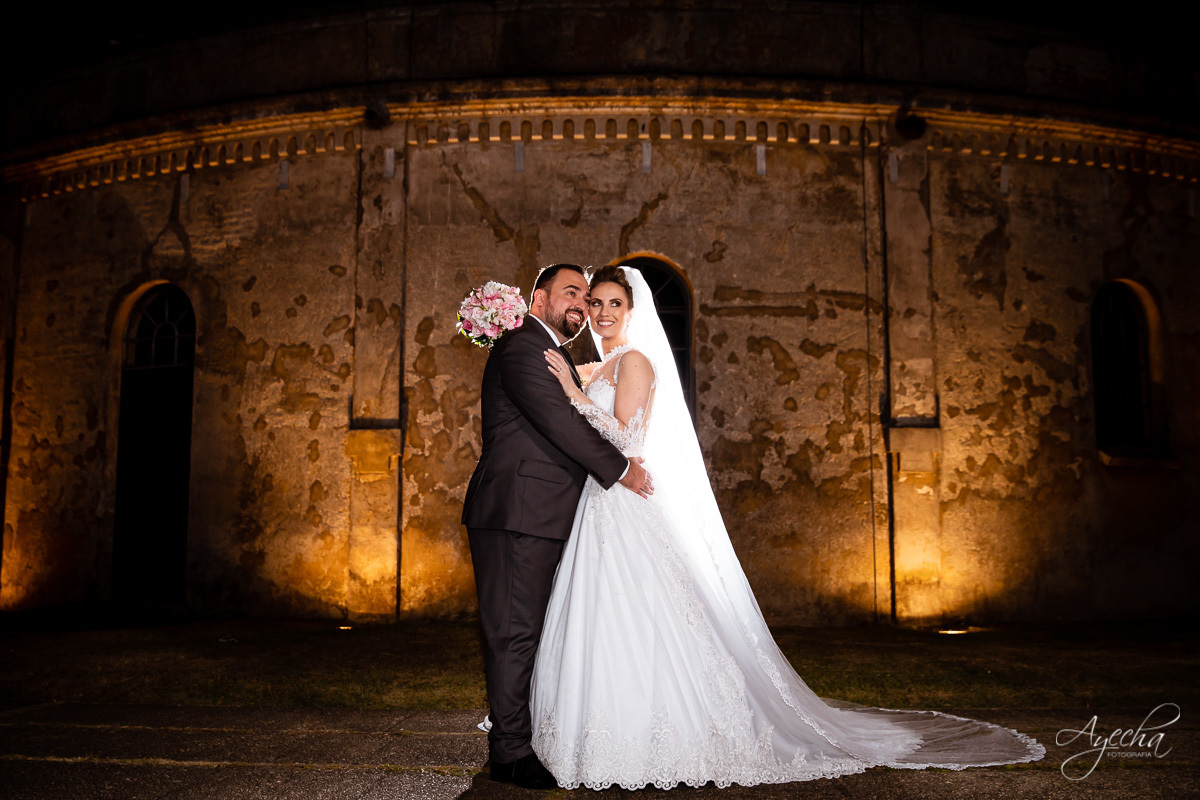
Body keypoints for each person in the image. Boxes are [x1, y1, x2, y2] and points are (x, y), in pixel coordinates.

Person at [530, 265, 1046, 790]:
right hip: (599, 504)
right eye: (595, 303)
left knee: (640, 616)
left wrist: (573, 394)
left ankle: (654, 732)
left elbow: (621, 434)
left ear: (632, 311)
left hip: (625, 501)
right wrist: (576, 382)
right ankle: (596, 727)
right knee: (602, 613)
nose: (602, 312)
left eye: (614, 303)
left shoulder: (635, 362)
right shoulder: (598, 365)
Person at [460, 263, 655, 790]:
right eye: (572, 293)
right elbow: (560, 421)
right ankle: (511, 755)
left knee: (526, 633)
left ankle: (518, 739)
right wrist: (621, 470)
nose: (583, 304)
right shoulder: (525, 345)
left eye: (587, 296)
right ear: (538, 298)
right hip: (517, 512)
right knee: (513, 634)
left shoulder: (558, 353)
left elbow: (573, 414)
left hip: (538, 512)